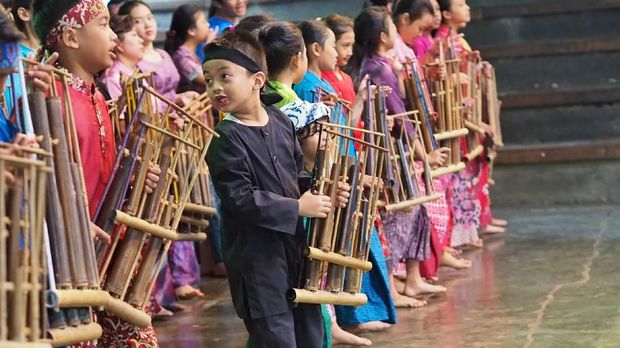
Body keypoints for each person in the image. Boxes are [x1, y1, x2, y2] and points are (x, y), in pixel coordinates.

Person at [204, 30, 346, 348]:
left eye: (225, 76)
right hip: (256, 263)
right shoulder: (224, 138)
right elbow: (240, 197)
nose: (216, 87)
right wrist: (297, 207)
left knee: (310, 334)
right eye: (209, 79)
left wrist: (323, 192)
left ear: (257, 80)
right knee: (274, 337)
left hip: (295, 251)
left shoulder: (280, 120)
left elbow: (296, 175)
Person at [32, 1, 161, 346]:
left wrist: (131, 176)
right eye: (103, 24)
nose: (113, 34)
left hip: (106, 251)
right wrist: (70, 216)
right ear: (71, 37)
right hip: (69, 259)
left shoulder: (97, 97)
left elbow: (98, 168)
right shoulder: (46, 95)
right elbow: (39, 177)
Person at [353, 6, 447, 309]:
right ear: (383, 36)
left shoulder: (378, 64)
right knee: (396, 218)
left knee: (415, 212)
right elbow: (402, 119)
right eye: (392, 28)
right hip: (388, 157)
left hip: (394, 152)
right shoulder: (379, 69)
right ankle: (396, 285)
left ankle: (413, 278)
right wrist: (426, 154)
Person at [391, 0, 471, 281]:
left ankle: (428, 263)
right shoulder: (393, 54)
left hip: (418, 134)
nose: (423, 33)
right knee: (418, 204)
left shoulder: (409, 47)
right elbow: (398, 102)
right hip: (408, 140)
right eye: (421, 27)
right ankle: (412, 272)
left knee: (433, 199)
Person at [435, 0, 507, 249]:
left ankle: (475, 224)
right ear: (446, 14)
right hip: (457, 113)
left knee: (474, 173)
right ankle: (460, 234)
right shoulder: (443, 43)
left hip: (465, 111)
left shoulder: (457, 39)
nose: (466, 6)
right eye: (460, 3)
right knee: (463, 175)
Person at [165, 4, 216, 94]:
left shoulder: (190, 53)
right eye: (203, 22)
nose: (208, 24)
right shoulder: (182, 58)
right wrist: (210, 49)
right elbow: (210, 81)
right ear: (191, 30)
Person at [101, 14, 145, 99]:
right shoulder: (113, 78)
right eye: (134, 35)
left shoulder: (136, 70)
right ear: (118, 44)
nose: (141, 40)